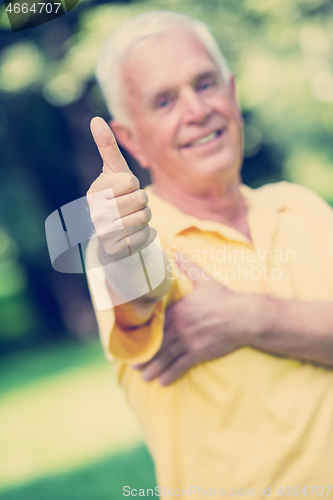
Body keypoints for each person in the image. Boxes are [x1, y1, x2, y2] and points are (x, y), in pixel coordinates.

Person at [85, 10, 333, 498]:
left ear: (233, 94)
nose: (197, 110)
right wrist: (124, 248)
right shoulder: (131, 238)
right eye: (164, 101)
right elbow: (138, 290)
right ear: (130, 137)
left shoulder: (301, 205)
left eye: (205, 84)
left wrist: (247, 317)